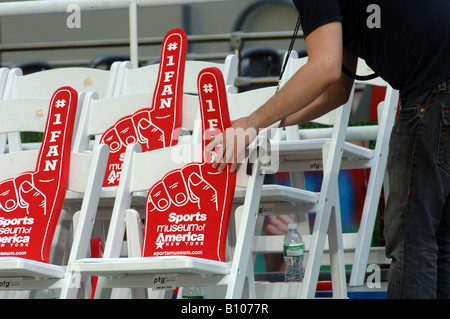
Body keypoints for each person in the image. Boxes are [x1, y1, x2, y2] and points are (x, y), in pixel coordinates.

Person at [207, 0, 450, 298]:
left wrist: (253, 122)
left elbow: (324, 68)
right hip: (438, 82)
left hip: (432, 88)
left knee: (413, 239)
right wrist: (262, 124)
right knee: (441, 240)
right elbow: (336, 92)